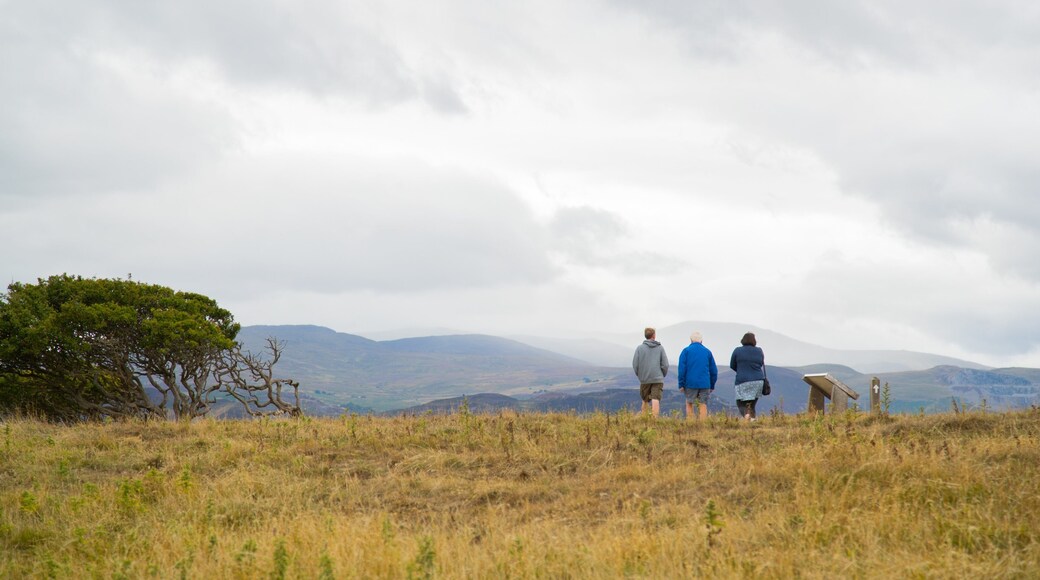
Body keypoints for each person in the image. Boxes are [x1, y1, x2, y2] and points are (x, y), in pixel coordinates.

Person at [677, 331, 717, 421]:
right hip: (705, 383)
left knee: (689, 403)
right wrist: (712, 385)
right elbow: (714, 370)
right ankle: (703, 424)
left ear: (691, 340)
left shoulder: (686, 351)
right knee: (703, 404)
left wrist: (681, 384)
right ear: (701, 340)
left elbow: (681, 369)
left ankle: (690, 422)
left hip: (690, 383)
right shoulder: (707, 352)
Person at [632, 327, 668, 418]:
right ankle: (654, 419)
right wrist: (662, 375)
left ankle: (644, 418)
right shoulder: (660, 348)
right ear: (654, 335)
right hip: (657, 378)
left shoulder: (639, 348)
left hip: (644, 378)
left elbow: (635, 364)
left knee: (645, 399)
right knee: (655, 398)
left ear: (645, 335)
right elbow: (665, 365)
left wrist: (640, 375)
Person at [730, 332, 766, 421]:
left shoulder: (737, 350)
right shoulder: (759, 351)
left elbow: (732, 365)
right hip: (758, 380)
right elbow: (760, 363)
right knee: (752, 405)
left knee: (740, 403)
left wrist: (741, 371)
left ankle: (748, 418)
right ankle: (752, 421)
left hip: (742, 380)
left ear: (743, 340)